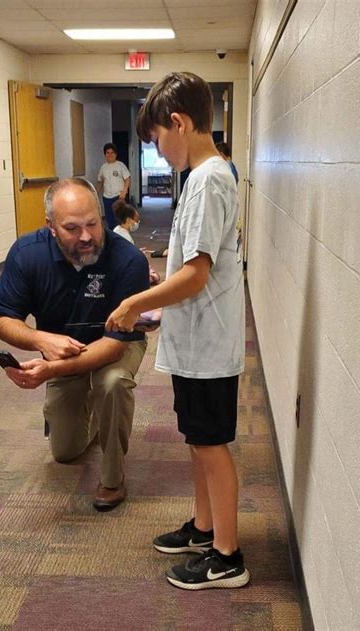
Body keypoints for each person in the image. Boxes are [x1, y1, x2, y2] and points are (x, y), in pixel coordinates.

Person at [106, 72, 250, 589]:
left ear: (179, 123)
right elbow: (189, 265)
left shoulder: (209, 179)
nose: (159, 151)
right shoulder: (203, 176)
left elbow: (196, 274)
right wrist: (158, 289)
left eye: (157, 140)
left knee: (211, 444)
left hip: (209, 343)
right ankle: (205, 529)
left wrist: (133, 304)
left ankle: (227, 556)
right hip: (196, 338)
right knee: (198, 439)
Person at [0, 177, 150, 511]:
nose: (86, 236)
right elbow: (2, 318)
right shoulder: (27, 254)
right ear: (50, 226)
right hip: (63, 350)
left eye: (93, 224)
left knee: (111, 383)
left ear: (102, 216)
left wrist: (51, 370)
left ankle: (113, 479)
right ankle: (93, 412)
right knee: (65, 452)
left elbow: (114, 345)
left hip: (115, 346)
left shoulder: (128, 260)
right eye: (72, 228)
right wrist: (40, 339)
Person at [112, 199, 160, 285]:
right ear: (128, 220)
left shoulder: (118, 230)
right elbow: (127, 258)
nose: (137, 223)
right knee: (152, 276)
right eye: (136, 220)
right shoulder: (123, 235)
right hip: (121, 270)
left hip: (120, 267)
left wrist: (137, 252)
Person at [96, 143, 130, 230]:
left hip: (118, 197)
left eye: (112, 152)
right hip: (107, 197)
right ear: (105, 154)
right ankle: (113, 234)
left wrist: (124, 192)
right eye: (108, 153)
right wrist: (95, 194)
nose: (110, 155)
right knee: (109, 219)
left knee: (120, 219)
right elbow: (100, 182)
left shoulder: (120, 165)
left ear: (115, 154)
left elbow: (127, 179)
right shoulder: (103, 167)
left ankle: (121, 235)